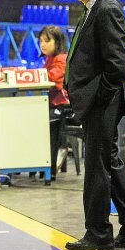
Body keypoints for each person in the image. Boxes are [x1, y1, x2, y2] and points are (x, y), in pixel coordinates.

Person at [64, 0, 125, 250]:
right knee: (110, 163)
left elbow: (117, 65)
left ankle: (98, 232)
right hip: (98, 102)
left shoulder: (107, 9)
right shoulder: (91, 8)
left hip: (102, 103)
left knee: (97, 168)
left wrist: (97, 99)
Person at [38, 25, 69, 181]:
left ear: (57, 43)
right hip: (49, 104)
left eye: (47, 41)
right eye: (41, 41)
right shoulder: (49, 59)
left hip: (61, 108)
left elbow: (50, 79)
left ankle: (52, 159)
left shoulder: (62, 60)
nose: (42, 44)